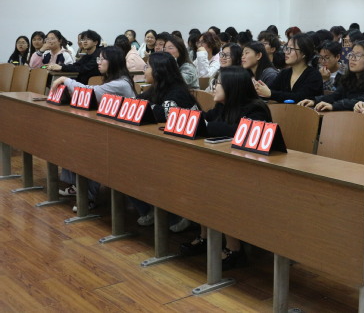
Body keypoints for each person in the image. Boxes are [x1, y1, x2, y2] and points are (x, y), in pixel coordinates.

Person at [180, 67, 272, 269]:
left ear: (233, 86)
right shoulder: (223, 106)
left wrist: (206, 126)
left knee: (220, 187)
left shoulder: (256, 109)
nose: (213, 87)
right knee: (199, 179)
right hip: (227, 168)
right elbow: (206, 119)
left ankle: (234, 249)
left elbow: (244, 133)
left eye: (218, 83)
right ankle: (205, 237)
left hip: (254, 174)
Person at [52, 46, 136, 209]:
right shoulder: (114, 79)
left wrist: (65, 79)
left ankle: (88, 196)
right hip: (112, 130)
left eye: (102, 59)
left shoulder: (121, 83)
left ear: (113, 62)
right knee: (73, 139)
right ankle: (78, 186)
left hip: (124, 137)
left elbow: (90, 92)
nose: (98, 62)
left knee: (90, 149)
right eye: (98, 59)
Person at [134, 52, 200, 230]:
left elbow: (163, 115)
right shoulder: (156, 89)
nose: (144, 69)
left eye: (148, 66)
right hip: (166, 145)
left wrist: (149, 107)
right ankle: (150, 209)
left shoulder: (178, 92)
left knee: (148, 167)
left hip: (188, 150)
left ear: (159, 71)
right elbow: (137, 104)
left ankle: (176, 215)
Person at [299, 40, 364, 111]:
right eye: (351, 54)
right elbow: (335, 95)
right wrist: (314, 101)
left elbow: (363, 101)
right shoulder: (351, 77)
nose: (352, 59)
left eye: (357, 55)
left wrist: (334, 106)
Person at [254, 33, 323, 102]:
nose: (286, 52)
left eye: (291, 49)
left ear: (303, 53)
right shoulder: (284, 73)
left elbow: (301, 97)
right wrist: (260, 89)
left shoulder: (314, 75)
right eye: (286, 48)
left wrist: (271, 94)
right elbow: (269, 92)